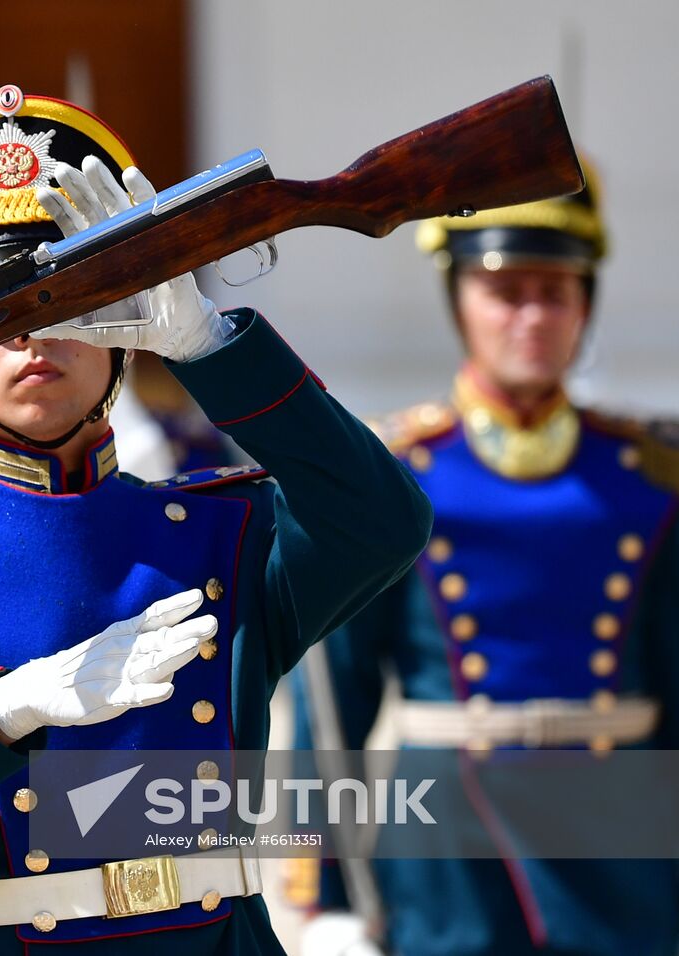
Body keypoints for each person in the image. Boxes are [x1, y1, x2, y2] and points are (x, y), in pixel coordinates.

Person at [0, 86, 432, 953]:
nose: (31, 338)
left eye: (65, 297)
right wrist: (3, 710)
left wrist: (211, 349)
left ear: (124, 325)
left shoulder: (222, 535)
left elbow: (384, 521)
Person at [292, 165, 679, 956]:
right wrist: (323, 894)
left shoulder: (652, 480)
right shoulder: (393, 477)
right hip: (446, 853)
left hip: (626, 849)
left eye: (556, 290)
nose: (532, 316)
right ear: (459, 298)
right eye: (506, 291)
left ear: (586, 305)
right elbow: (333, 707)